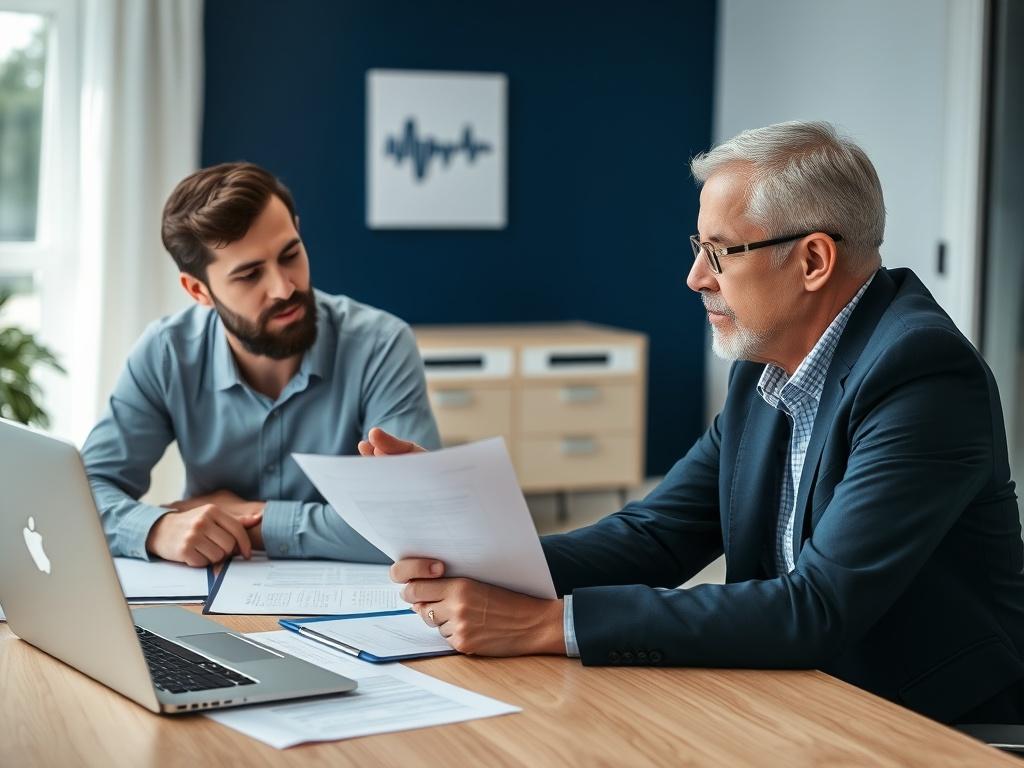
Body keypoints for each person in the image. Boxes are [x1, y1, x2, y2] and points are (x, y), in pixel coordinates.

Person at [363, 121, 1024, 725]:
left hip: (930, 722)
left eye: (719, 252)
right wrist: (466, 540)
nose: (693, 278)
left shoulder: (922, 376)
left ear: (813, 261)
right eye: (698, 247)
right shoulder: (762, 371)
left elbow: (817, 607)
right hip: (802, 703)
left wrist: (545, 625)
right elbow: (656, 536)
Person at [83, 162, 440, 567]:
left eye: (290, 254)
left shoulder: (380, 345)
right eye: (250, 275)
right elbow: (84, 492)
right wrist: (159, 528)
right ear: (198, 290)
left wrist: (253, 523)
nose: (284, 287)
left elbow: (416, 518)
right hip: (208, 605)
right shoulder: (166, 352)